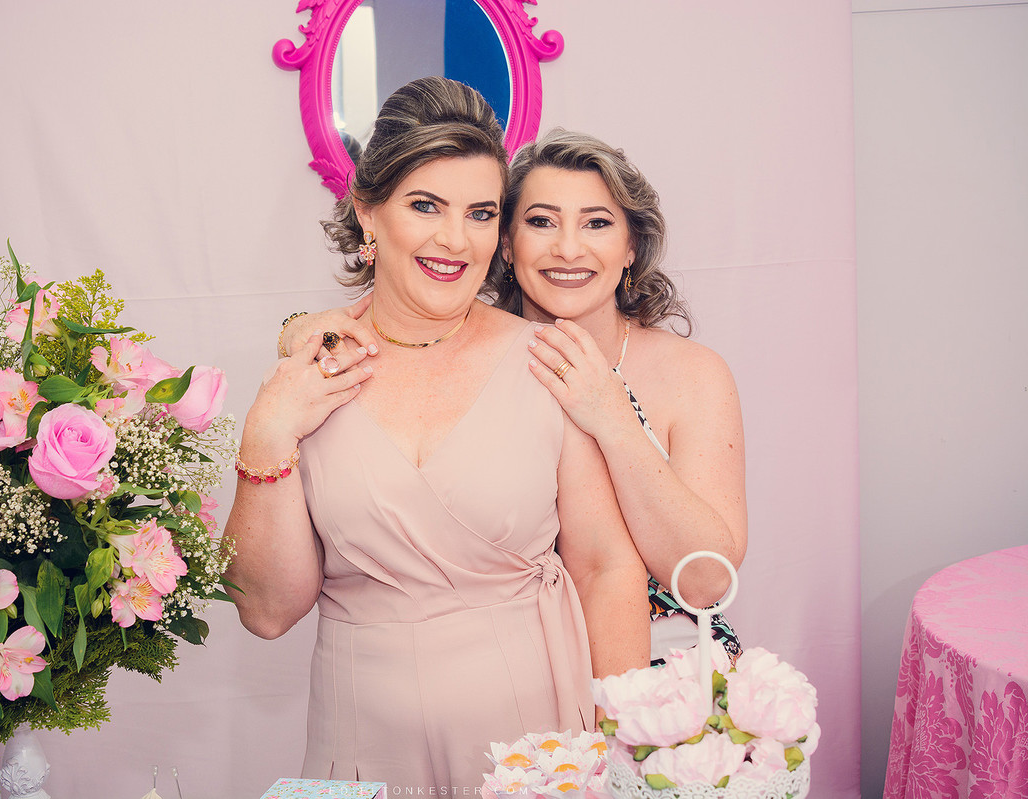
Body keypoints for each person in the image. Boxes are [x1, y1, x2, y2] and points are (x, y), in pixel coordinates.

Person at [224, 81, 648, 794]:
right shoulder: (312, 372)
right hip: (362, 745)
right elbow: (266, 612)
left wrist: (624, 753)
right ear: (368, 212)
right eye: (426, 206)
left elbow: (607, 568)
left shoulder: (548, 361)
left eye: (480, 213)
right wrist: (266, 435)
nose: (456, 240)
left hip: (534, 747)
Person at [281, 129, 747, 665]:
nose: (567, 248)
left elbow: (706, 580)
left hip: (670, 672)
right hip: (517, 672)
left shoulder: (692, 374)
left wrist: (612, 416)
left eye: (597, 223)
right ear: (506, 242)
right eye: (541, 222)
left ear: (631, 247)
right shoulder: (478, 356)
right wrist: (296, 329)